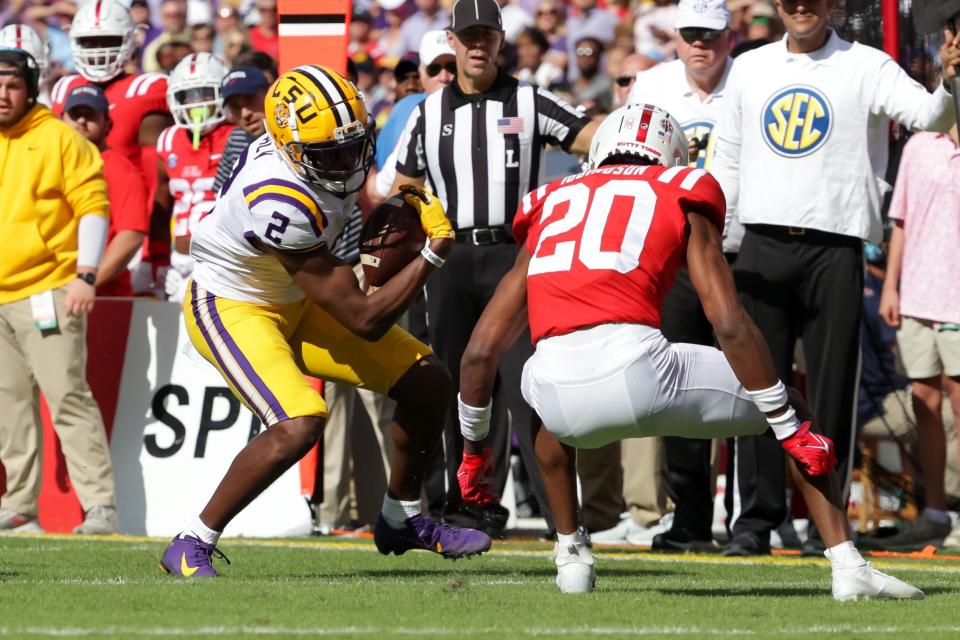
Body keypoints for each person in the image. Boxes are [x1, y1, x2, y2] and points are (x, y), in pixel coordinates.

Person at [456, 102, 922, 601]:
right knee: (791, 404)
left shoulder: (549, 200)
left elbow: (480, 353)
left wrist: (473, 453)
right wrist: (785, 423)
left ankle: (571, 556)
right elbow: (727, 321)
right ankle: (847, 565)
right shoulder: (681, 189)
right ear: (672, 156)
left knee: (544, 403)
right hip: (640, 370)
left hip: (557, 387)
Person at [158, 64, 490, 576]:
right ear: (290, 149)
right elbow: (363, 318)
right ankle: (191, 540)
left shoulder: (303, 154)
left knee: (428, 380)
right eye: (329, 153)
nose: (346, 160)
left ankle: (401, 517)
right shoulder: (278, 198)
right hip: (233, 304)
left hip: (294, 296)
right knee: (298, 423)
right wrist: (432, 255)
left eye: (353, 144)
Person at [709, 0, 960, 557]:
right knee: (756, 391)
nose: (802, 7)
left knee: (832, 395)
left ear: (831, 6)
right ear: (777, 5)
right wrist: (717, 242)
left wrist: (948, 78)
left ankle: (831, 530)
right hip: (760, 243)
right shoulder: (749, 68)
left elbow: (931, 118)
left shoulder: (867, 65)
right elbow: (726, 158)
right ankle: (754, 522)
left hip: (836, 244)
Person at [391, 0, 597, 535]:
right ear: (452, 42)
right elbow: (404, 185)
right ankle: (468, 511)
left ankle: (560, 518)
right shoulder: (427, 111)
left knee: (530, 385)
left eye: (487, 35)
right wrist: (421, 222)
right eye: (469, 36)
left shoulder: (529, 99)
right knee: (457, 388)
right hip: (453, 259)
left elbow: (590, 136)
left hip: (516, 257)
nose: (478, 45)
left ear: (501, 40)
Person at [0, 48, 118, 535]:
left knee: (67, 397)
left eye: (10, 84)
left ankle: (101, 507)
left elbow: (94, 203)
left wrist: (86, 273)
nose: (1, 94)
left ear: (30, 88)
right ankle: (20, 505)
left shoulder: (60, 139)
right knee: (8, 404)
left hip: (48, 289)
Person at [874, 126, 960, 549]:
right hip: (917, 298)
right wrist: (892, 287)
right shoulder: (919, 144)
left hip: (957, 299)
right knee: (923, 404)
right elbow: (901, 222)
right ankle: (936, 513)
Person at [154, 52, 235, 303]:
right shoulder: (168, 139)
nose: (196, 103)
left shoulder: (236, 137)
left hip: (220, 261)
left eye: (204, 94)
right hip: (178, 260)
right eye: (188, 96)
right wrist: (158, 259)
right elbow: (160, 206)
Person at [61, 85, 149, 298]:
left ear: (107, 125)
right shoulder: (50, 161)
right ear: (61, 121)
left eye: (90, 116)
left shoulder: (120, 169)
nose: (81, 121)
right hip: (48, 290)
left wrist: (87, 283)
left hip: (102, 295)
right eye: (75, 115)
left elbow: (131, 236)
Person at [212, 66, 270, 194]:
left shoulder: (293, 132)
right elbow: (220, 194)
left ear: (269, 92)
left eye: (250, 100)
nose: (245, 113)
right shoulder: (235, 139)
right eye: (235, 106)